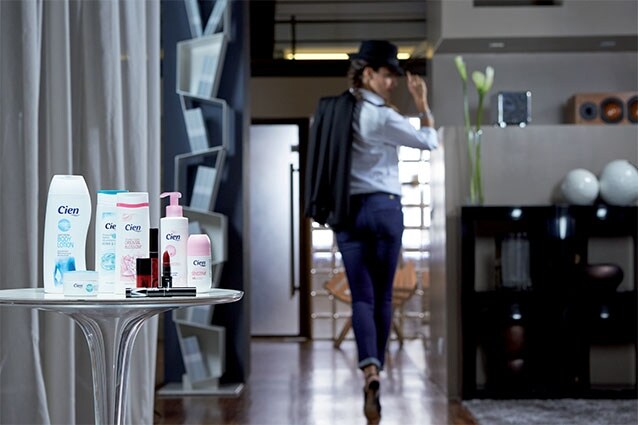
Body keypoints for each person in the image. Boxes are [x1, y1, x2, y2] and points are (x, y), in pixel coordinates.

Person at [305, 40, 438, 424]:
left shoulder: (336, 111)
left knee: (361, 297)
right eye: (386, 75)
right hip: (383, 210)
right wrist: (422, 105)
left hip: (347, 212)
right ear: (367, 74)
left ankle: (371, 371)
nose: (392, 82)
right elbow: (428, 142)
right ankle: (376, 366)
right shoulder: (382, 117)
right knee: (382, 297)